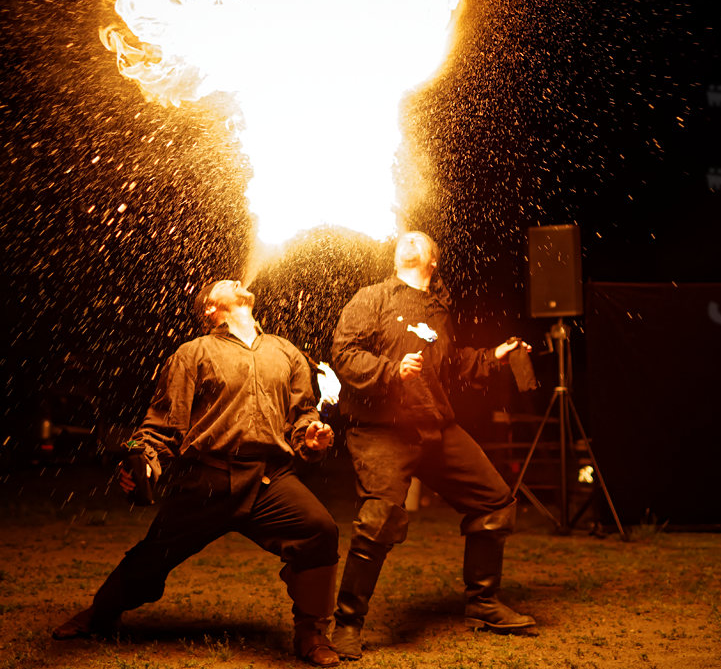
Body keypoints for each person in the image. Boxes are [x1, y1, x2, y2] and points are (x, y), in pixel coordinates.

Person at [52, 279, 341, 667]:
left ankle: (311, 632)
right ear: (209, 308)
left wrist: (311, 436)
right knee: (154, 554)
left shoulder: (284, 351)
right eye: (223, 284)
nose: (236, 280)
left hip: (269, 480)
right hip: (209, 479)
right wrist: (144, 461)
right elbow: (162, 425)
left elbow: (302, 414)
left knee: (320, 529)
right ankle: (100, 614)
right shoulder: (194, 353)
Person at [329, 232, 536, 660]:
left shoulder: (439, 310)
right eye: (404, 239)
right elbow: (343, 354)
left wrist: (494, 355)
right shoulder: (373, 297)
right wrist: (390, 370)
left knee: (495, 502)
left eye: (419, 240)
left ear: (434, 260)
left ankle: (482, 602)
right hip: (381, 429)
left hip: (434, 425)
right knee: (379, 519)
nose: (408, 241)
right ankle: (347, 622)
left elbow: (452, 365)